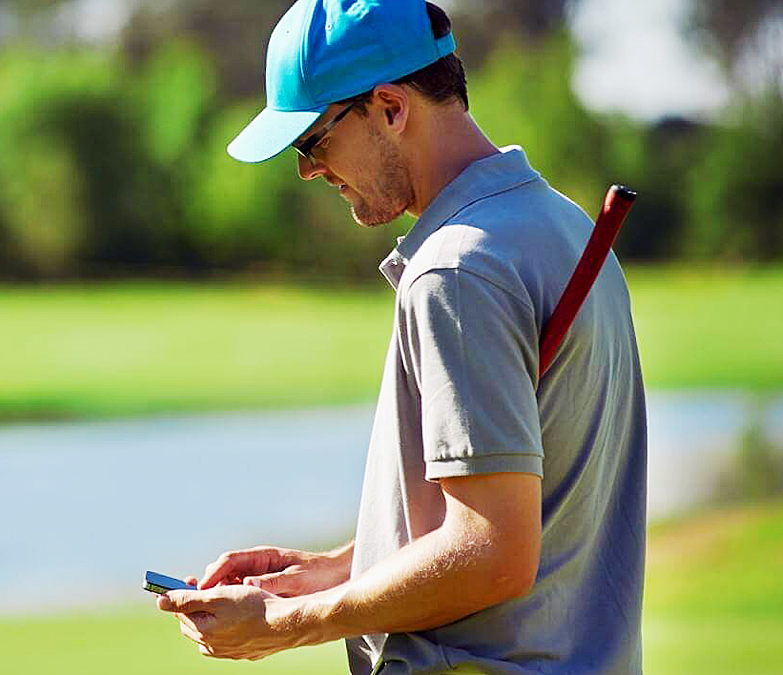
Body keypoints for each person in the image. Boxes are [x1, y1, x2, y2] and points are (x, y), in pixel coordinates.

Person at [154, 2, 648, 674]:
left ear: (389, 108)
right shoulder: (560, 225)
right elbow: (516, 507)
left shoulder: (457, 270)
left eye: (312, 142)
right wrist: (336, 569)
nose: (307, 171)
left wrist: (287, 623)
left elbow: (492, 554)